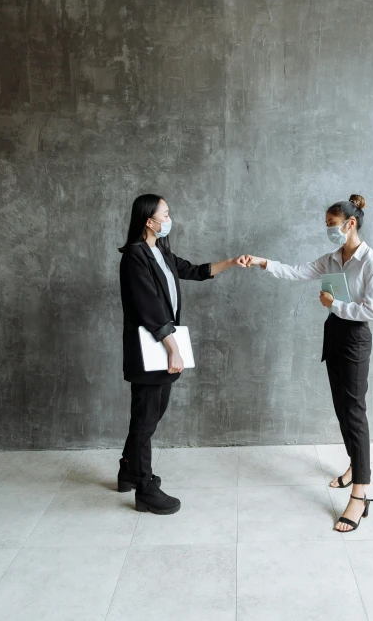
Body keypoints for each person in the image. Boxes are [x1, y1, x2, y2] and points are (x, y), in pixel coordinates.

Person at [246, 194, 373, 533]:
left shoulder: (370, 262)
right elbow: (297, 271)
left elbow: (372, 310)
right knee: (341, 410)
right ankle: (355, 466)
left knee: (355, 413)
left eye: (331, 225)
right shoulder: (333, 258)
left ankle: (360, 494)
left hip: (354, 340)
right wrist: (263, 262)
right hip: (334, 336)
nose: (328, 230)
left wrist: (334, 303)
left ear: (350, 224)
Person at [118, 193, 249, 514]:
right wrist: (173, 350)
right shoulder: (135, 257)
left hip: (163, 345)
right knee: (147, 418)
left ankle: (129, 470)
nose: (169, 218)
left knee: (148, 414)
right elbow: (148, 308)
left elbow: (194, 270)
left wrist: (230, 262)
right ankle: (145, 489)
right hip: (153, 348)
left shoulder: (159, 251)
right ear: (149, 221)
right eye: (165, 214)